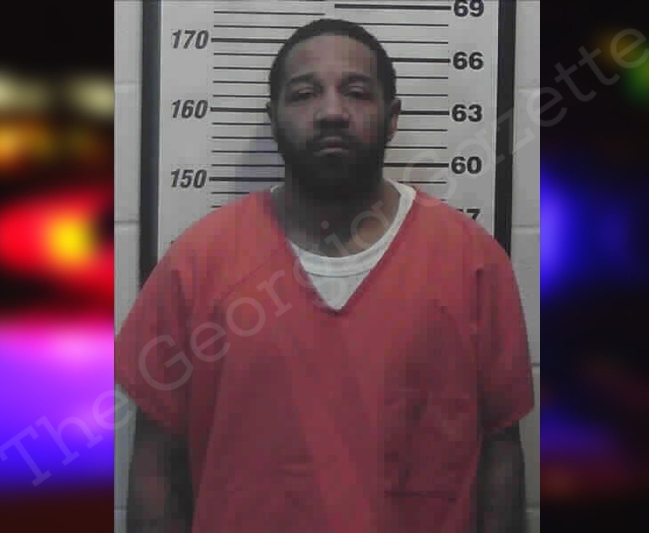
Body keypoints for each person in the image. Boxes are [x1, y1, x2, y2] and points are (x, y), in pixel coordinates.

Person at [116, 18, 534, 533]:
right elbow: (156, 458)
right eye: (304, 94)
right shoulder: (196, 263)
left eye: (356, 92)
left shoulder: (473, 262)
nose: (332, 111)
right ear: (273, 118)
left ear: (392, 117)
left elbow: (501, 450)